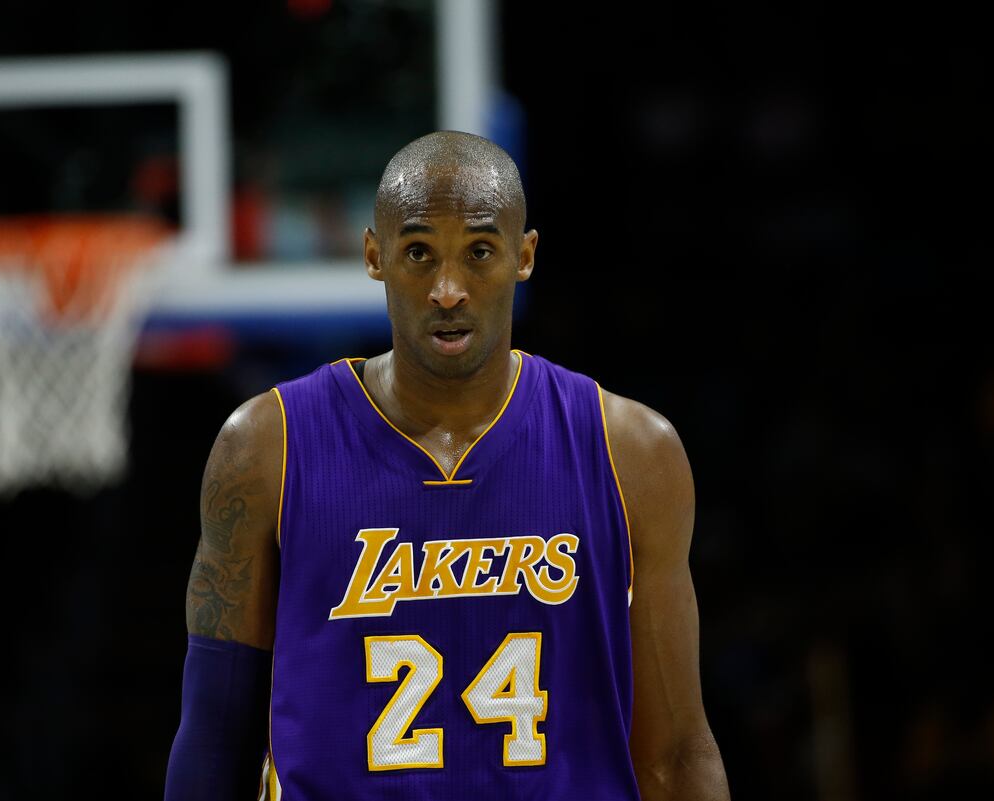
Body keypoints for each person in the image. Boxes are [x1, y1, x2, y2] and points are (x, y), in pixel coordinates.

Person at [164, 131, 730, 800]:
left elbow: (677, 754)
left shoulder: (632, 452)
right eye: (418, 253)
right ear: (374, 256)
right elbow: (214, 743)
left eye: (480, 252)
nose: (448, 289)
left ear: (525, 256)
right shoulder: (266, 447)